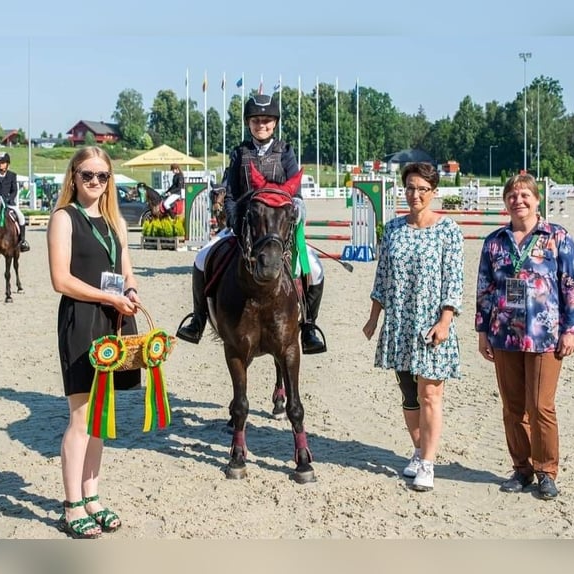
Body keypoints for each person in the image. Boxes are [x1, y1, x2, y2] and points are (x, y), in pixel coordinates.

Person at [176, 93, 327, 355]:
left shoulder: (286, 153)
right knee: (201, 258)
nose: (262, 125)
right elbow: (232, 193)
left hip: (279, 231)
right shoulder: (240, 153)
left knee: (314, 269)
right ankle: (198, 319)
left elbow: (296, 193)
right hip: (245, 229)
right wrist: (234, 220)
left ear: (275, 123)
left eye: (267, 120)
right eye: (256, 120)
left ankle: (309, 327)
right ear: (249, 123)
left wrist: (296, 210)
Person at [47, 146, 142, 538]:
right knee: (81, 417)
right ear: (74, 176)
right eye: (88, 175)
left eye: (102, 176)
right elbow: (61, 280)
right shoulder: (63, 218)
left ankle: (92, 497)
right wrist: (109, 297)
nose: (95, 183)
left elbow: (127, 269)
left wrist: (132, 291)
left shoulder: (113, 221)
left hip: (115, 319)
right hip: (82, 320)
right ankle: (71, 505)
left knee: (101, 417)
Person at [475, 173, 574, 501]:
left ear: (537, 200)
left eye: (525, 195)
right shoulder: (494, 242)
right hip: (503, 334)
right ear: (505, 201)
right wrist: (482, 330)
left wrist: (571, 329)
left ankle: (546, 471)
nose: (518, 201)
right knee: (512, 406)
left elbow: (571, 285)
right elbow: (485, 287)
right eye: (512, 196)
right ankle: (521, 468)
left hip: (545, 335)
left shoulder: (557, 237)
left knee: (540, 406)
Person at [362, 162, 464, 492]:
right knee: (409, 395)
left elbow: (454, 281)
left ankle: (429, 464)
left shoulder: (449, 230)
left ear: (433, 192)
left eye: (422, 188)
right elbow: (383, 277)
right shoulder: (392, 229)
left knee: (430, 394)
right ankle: (419, 451)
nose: (415, 194)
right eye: (409, 187)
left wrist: (446, 321)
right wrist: (374, 316)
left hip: (432, 323)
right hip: (400, 323)